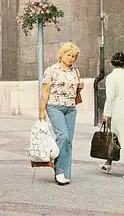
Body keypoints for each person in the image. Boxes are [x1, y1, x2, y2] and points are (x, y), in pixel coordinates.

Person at [39, 42, 83, 185]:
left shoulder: (75, 72)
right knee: (63, 136)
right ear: (62, 55)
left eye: (73, 56)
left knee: (68, 141)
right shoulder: (51, 70)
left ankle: (66, 172)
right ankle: (58, 170)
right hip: (54, 106)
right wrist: (41, 112)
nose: (70, 58)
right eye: (68, 55)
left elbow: (74, 92)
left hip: (70, 108)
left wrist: (80, 87)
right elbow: (45, 91)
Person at [101, 51, 124, 175]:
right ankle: (108, 162)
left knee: (114, 137)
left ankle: (108, 163)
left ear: (111, 64)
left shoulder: (111, 77)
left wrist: (106, 114)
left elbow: (110, 98)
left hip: (118, 109)